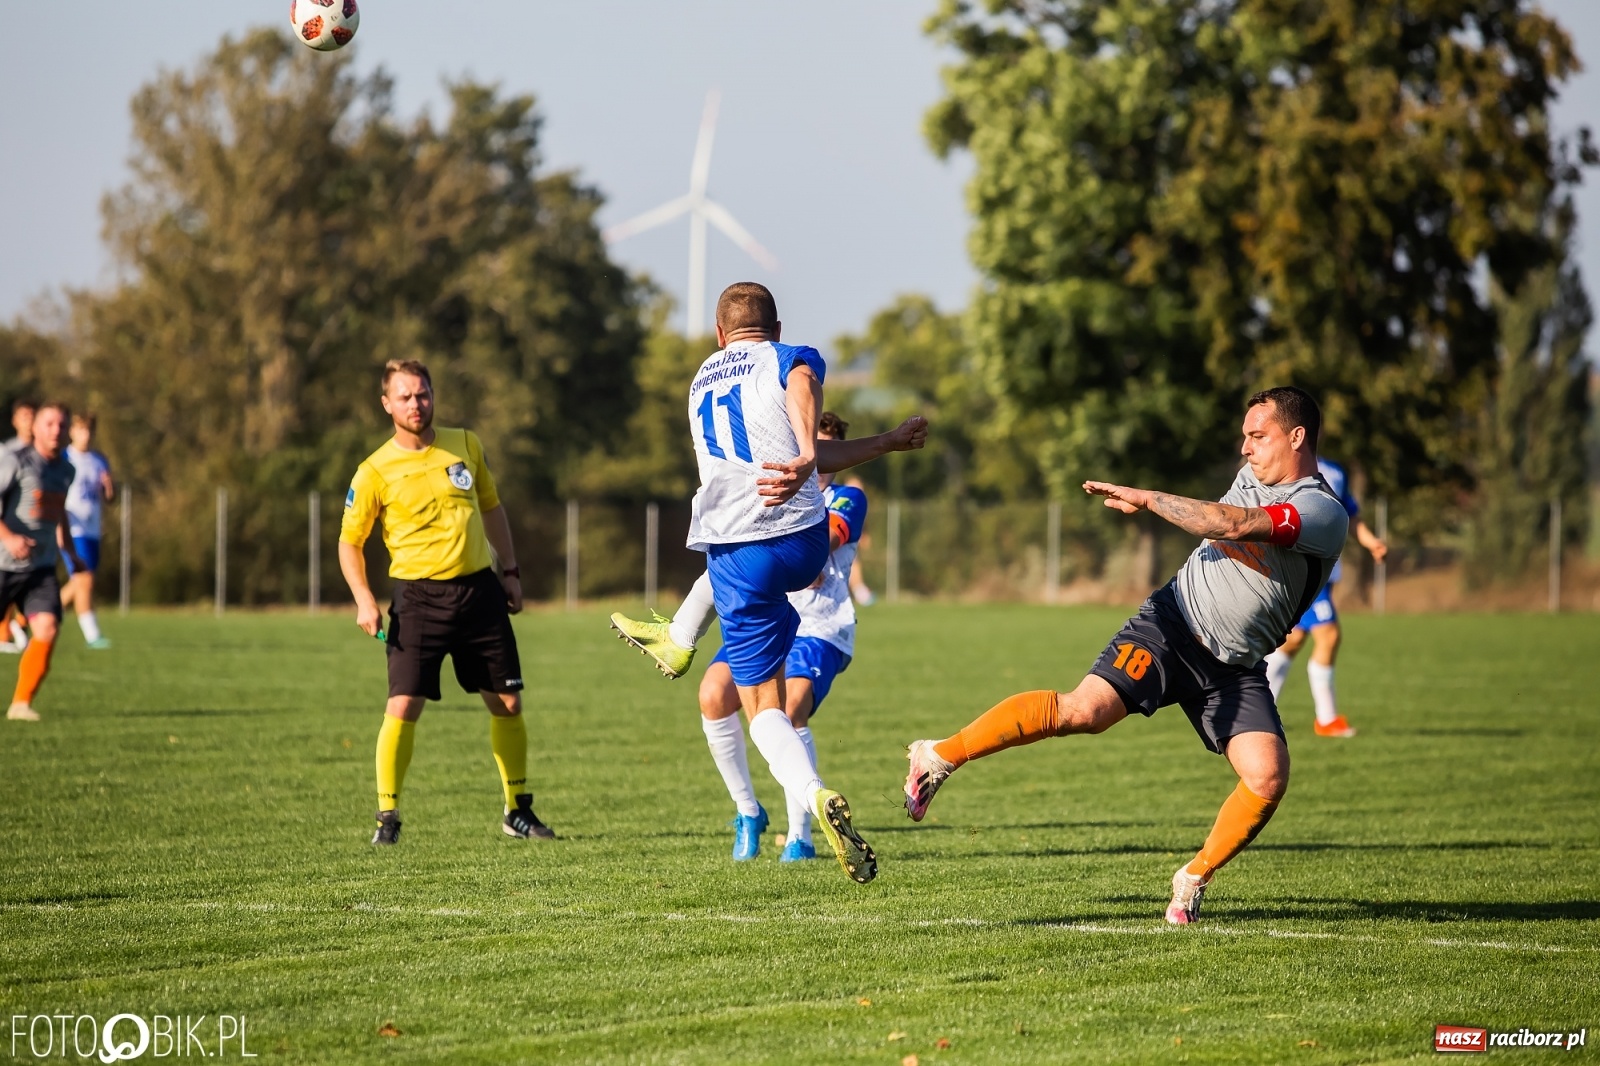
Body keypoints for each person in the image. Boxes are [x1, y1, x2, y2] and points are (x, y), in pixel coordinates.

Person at [903, 387, 1348, 925]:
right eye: (1245, 436)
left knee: (1268, 776)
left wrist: (1147, 498)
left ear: (1297, 437)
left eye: (1258, 436)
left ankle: (1192, 879)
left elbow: (1230, 524)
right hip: (1172, 624)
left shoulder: (1321, 511)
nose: (1245, 449)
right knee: (1083, 712)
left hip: (1233, 668)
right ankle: (938, 755)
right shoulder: (1256, 475)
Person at [628, 282, 922, 883]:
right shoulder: (787, 355)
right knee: (736, 694)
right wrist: (882, 442)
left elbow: (799, 397)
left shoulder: (700, 380)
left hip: (740, 550)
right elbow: (801, 384)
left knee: (762, 709)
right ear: (776, 326)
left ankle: (681, 640)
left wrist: (807, 454)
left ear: (718, 334)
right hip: (798, 539)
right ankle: (811, 801)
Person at [613, 412, 873, 863]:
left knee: (790, 709)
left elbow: (823, 550)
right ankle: (748, 811)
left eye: (825, 451)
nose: (818, 460)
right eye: (810, 445)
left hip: (819, 627)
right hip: (759, 613)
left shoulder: (846, 497)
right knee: (713, 696)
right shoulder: (775, 489)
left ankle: (801, 836)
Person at [338, 359, 550, 846]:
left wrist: (510, 571)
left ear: (433, 396)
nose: (417, 404)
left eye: (424, 394)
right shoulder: (373, 470)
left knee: (508, 701)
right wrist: (364, 600)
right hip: (417, 599)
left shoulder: (467, 444)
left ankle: (517, 811)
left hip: (480, 591)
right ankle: (387, 819)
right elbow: (350, 542)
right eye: (406, 396)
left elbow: (492, 508)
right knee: (404, 703)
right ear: (387, 403)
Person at [1261, 458, 1386, 737]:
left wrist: (1371, 542)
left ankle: (1260, 710)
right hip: (1301, 572)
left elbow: (1349, 515)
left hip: (1324, 574)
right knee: (1328, 635)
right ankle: (1327, 720)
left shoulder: (1335, 472)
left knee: (1292, 641)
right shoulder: (1277, 465)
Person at [2, 403, 86, 721]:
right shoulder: (14, 461)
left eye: (62, 425)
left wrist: (70, 552)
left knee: (48, 627)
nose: (56, 430)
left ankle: (20, 704)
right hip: (3, 564)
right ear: (34, 428)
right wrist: (9, 537)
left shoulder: (66, 470)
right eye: (49, 424)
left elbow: (58, 511)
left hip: (40, 568)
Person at [58, 412, 115, 650]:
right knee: (85, 580)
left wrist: (109, 487)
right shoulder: (64, 458)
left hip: (92, 529)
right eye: (81, 429)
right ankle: (92, 635)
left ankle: (29, 618)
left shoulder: (99, 460)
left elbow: (108, 497)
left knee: (80, 581)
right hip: (72, 528)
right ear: (71, 431)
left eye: (89, 430)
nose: (86, 435)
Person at [1, 399, 37, 653]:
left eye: (33, 415)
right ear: (14, 420)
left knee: (38, 586)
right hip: (7, 532)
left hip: (37, 534)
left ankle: (17, 626)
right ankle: (5, 633)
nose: (29, 420)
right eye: (24, 416)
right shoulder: (8, 452)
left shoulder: (46, 454)